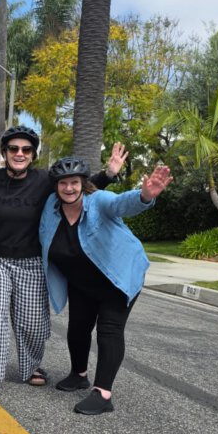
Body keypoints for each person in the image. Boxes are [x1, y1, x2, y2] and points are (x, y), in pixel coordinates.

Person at [0, 126, 125, 398]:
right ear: (4, 153)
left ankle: (31, 367)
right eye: (13, 149)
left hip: (31, 261)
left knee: (33, 324)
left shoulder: (43, 181)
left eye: (26, 149)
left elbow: (75, 188)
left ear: (33, 154)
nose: (19, 153)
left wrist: (108, 174)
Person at [40, 156, 173, 415]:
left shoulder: (98, 201)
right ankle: (79, 375)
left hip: (117, 278)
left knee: (109, 329)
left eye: (74, 182)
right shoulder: (51, 207)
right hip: (81, 281)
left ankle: (103, 393)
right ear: (56, 186)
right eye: (63, 183)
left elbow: (121, 203)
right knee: (78, 328)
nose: (69, 188)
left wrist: (144, 196)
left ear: (83, 184)